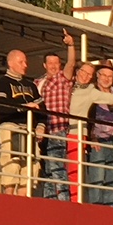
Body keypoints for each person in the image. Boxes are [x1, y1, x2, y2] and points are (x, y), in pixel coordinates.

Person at [0, 49, 40, 196]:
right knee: (11, 166)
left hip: (30, 130)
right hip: (11, 127)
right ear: (10, 63)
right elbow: (0, 106)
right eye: (21, 62)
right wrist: (23, 107)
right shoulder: (0, 83)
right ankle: (8, 201)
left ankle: (23, 203)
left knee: (30, 168)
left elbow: (42, 108)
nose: (25, 65)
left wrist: (41, 125)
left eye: (25, 62)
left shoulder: (31, 86)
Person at [69, 61, 113, 205]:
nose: (106, 79)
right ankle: (95, 209)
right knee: (97, 178)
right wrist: (92, 138)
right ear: (98, 76)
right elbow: (87, 116)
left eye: (110, 76)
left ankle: (110, 210)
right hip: (98, 141)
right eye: (104, 75)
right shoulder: (91, 92)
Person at [34, 33, 78, 200]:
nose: (53, 66)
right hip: (41, 130)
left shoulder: (63, 78)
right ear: (44, 65)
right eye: (50, 63)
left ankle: (64, 201)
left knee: (57, 167)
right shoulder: (37, 82)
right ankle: (49, 202)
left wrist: (71, 45)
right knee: (46, 170)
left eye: (56, 63)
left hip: (58, 128)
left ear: (60, 65)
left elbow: (71, 63)